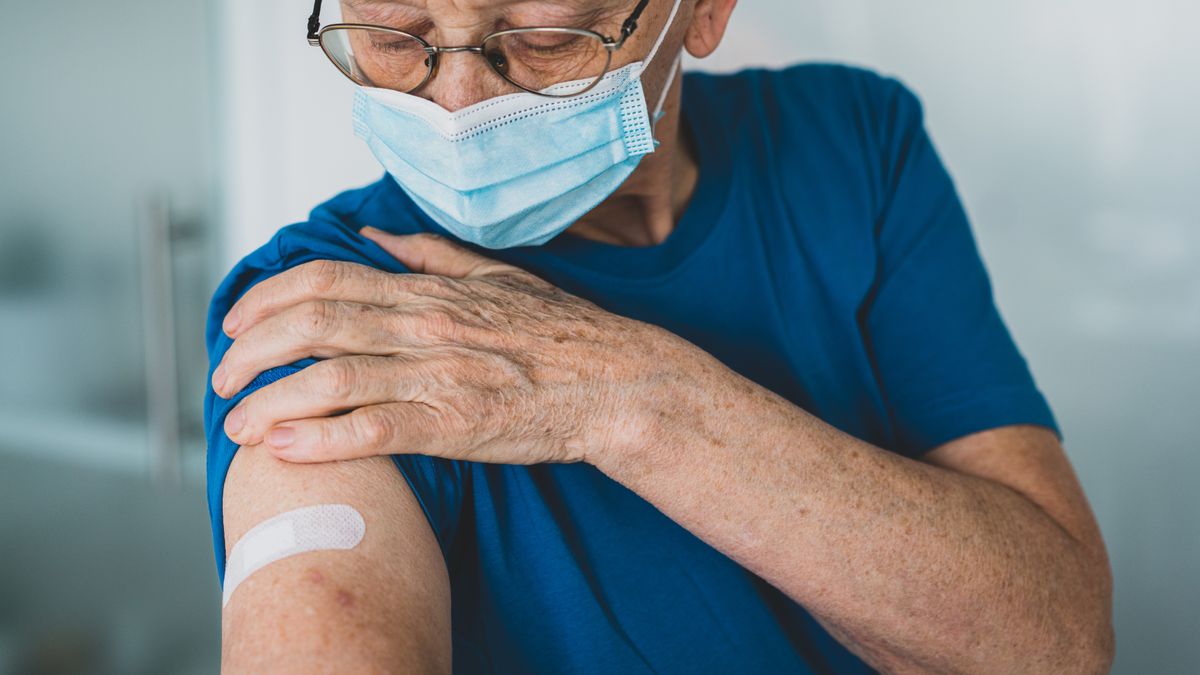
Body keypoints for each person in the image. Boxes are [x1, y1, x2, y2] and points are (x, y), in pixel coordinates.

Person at [205, 0, 1115, 672]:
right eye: (394, 35)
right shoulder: (332, 311)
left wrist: (631, 396)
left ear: (703, 12)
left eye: (545, 35)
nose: (457, 104)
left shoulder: (851, 143)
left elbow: (1055, 639)